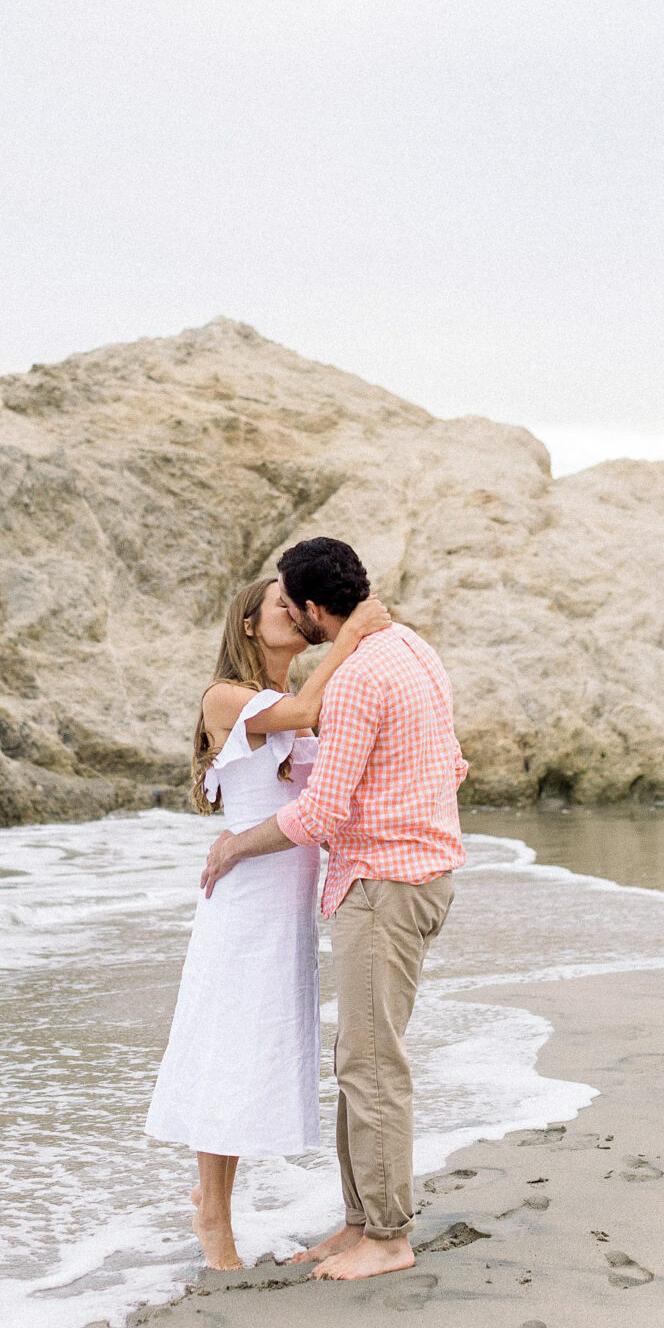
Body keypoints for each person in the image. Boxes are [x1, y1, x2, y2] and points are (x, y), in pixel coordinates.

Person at [201, 537, 469, 1282]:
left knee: (371, 1063)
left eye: (291, 603)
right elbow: (451, 759)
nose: (286, 612)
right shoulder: (411, 647)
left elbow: (319, 811)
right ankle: (359, 1221)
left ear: (317, 610)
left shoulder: (350, 683)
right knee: (361, 1058)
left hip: (384, 882)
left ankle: (386, 1235)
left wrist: (232, 848)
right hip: (407, 872)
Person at [145, 575, 391, 1270]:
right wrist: (351, 635)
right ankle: (213, 1217)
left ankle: (218, 1204)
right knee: (226, 1048)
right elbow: (307, 707)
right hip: (245, 901)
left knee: (256, 1053)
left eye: (297, 604)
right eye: (280, 605)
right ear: (249, 625)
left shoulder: (292, 703)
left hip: (289, 906)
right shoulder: (225, 697)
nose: (292, 610)